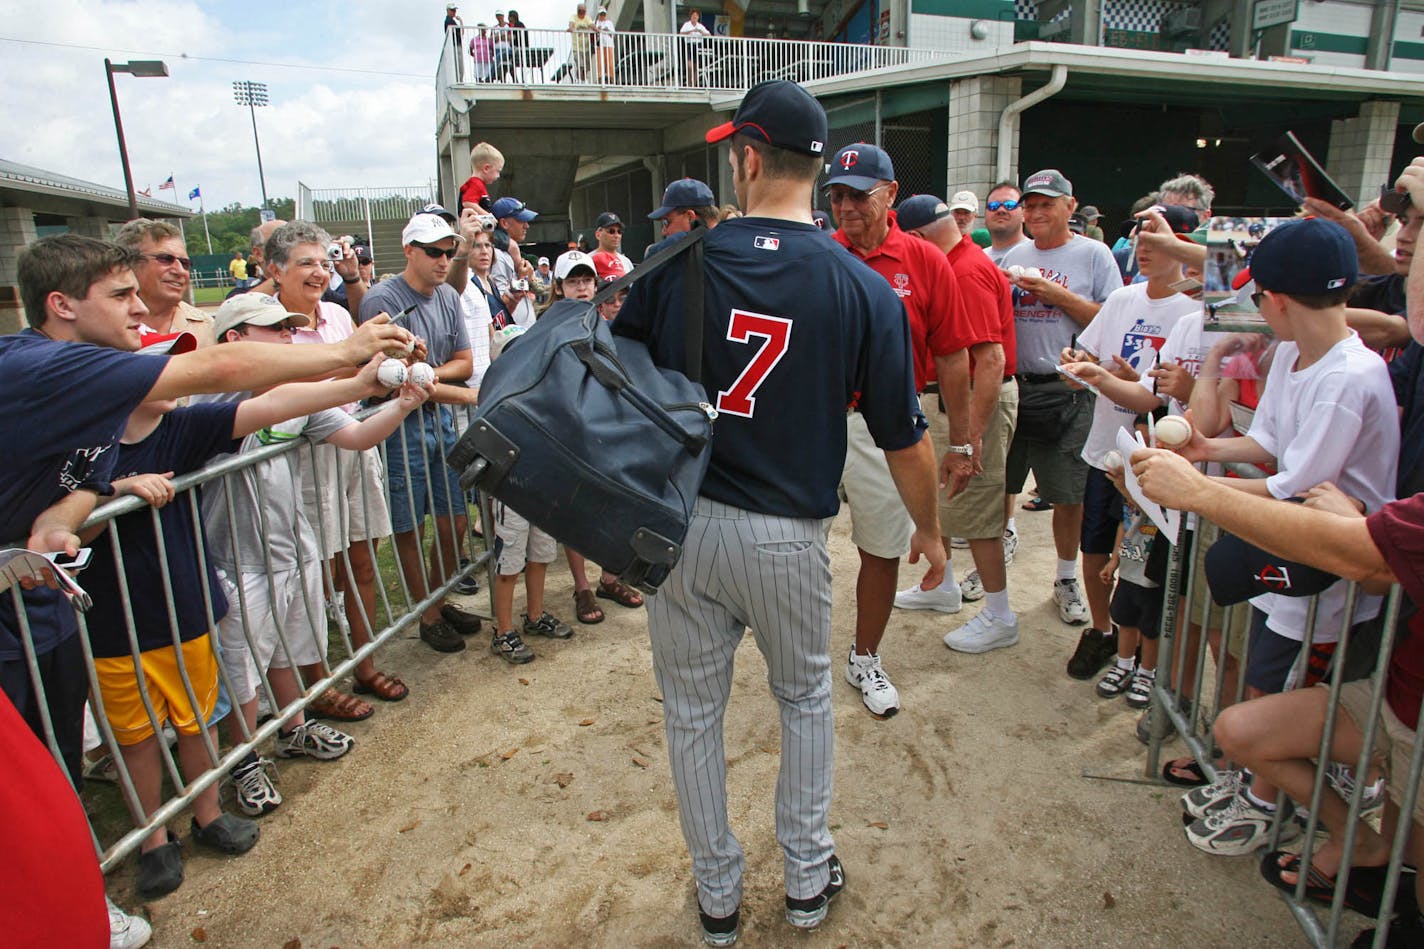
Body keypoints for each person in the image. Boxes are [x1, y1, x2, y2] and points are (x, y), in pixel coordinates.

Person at [611, 80, 946, 945]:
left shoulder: (679, 260)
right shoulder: (862, 283)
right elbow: (904, 439)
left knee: (691, 714)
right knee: (802, 699)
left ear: (749, 159)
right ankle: (804, 878)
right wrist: (934, 532)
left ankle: (718, 895)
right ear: (814, 166)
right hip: (786, 536)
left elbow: (615, 384)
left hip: (681, 524)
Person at [4, 234, 410, 943]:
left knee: (54, 774)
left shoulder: (94, 406)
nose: (141, 308)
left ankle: (77, 897)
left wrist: (61, 520)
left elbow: (85, 483)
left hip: (45, 612)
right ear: (61, 307)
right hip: (42, 623)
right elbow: (222, 367)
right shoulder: (38, 366)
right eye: (121, 295)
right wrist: (342, 351)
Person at [1165, 218, 1399, 856]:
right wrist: (1208, 448)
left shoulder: (1350, 377)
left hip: (1329, 580)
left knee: (1283, 695)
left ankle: (1269, 804)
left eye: (1257, 296)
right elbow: (1268, 444)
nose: (1252, 310)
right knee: (1263, 676)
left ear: (1279, 300)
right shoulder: (1296, 354)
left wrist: (1190, 488)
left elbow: (1289, 489)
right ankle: (1257, 787)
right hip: (1288, 560)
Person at [1128, 447, 1424, 946]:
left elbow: (1363, 559)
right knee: (1242, 731)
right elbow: (1376, 569)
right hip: (1395, 698)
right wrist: (1358, 526)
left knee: (1413, 859)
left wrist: (1200, 492)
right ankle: (1359, 842)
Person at [825, 146, 966, 716]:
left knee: (881, 549)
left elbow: (953, 355)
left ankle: (865, 657)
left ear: (890, 192)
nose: (846, 206)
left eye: (859, 194)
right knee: (798, 546)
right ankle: (801, 657)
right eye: (836, 195)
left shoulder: (926, 260)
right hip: (817, 421)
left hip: (887, 426)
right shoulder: (818, 256)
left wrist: (961, 441)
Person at [1054, 204, 1199, 690]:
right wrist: (1081, 365)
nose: (1145, 245)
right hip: (1106, 448)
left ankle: (1148, 659)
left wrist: (1121, 381)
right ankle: (1103, 632)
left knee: (1147, 562)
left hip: (1161, 461)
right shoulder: (1122, 298)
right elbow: (1092, 358)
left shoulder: (1197, 311)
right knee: (1095, 547)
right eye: (1140, 235)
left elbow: (1156, 395)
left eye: (1159, 238)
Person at [270, 222, 404, 712]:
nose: (319, 272)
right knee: (316, 573)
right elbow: (295, 383)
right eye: (306, 263)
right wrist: (356, 370)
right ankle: (319, 682)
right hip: (306, 460)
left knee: (363, 559)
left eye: (324, 263)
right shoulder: (268, 327)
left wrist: (388, 369)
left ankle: (364, 664)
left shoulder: (336, 315)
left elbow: (359, 378)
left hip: (353, 445)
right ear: (273, 271)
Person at [999, 169, 1121, 666]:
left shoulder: (1094, 255)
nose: (1035, 213)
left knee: (1067, 494)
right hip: (1017, 388)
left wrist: (1058, 296)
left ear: (1071, 207)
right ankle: (994, 564)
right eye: (1029, 205)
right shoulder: (1014, 256)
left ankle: (1066, 576)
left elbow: (1115, 321)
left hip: (1068, 393)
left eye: (1047, 204)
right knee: (1004, 484)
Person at [894, 195, 1019, 652]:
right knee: (942, 500)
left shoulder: (962, 271)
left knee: (978, 511)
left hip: (968, 401)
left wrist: (972, 439)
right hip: (951, 400)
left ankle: (1000, 613)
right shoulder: (957, 259)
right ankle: (943, 585)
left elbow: (990, 359)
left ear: (916, 238)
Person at [359, 211, 485, 656]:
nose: (443, 259)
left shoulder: (449, 296)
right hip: (398, 428)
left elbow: (464, 364)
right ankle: (428, 615)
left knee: (453, 522)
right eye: (434, 251)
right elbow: (395, 381)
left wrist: (428, 373)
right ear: (409, 250)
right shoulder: (381, 299)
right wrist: (442, 385)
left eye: (449, 252)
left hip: (439, 424)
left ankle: (437, 599)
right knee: (410, 525)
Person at [116, 219, 216, 346]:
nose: (180, 271)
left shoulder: (207, 327)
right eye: (165, 259)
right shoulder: (105, 329)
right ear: (129, 263)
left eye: (185, 263)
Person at [645, 178, 718, 260]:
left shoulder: (675, 260)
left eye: (666, 222)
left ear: (690, 217)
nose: (664, 231)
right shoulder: (731, 245)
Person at [983, 181, 1027, 265]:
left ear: (1023, 214)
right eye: (993, 206)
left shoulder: (1038, 254)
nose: (1001, 210)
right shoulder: (978, 258)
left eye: (1009, 205)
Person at [458, 141, 504, 213]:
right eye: (498, 171)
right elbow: (468, 202)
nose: (498, 176)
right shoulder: (476, 184)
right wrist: (487, 216)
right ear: (486, 168)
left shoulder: (474, 183)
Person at [680, 8, 712, 86]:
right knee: (689, 66)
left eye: (696, 16)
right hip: (689, 45)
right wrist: (690, 32)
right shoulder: (687, 24)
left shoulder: (700, 26)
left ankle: (694, 84)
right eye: (693, 15)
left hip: (698, 45)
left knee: (696, 67)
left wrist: (700, 32)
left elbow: (709, 35)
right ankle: (689, 82)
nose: (695, 17)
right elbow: (681, 33)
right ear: (690, 16)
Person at [567, 2, 595, 81]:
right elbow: (571, 24)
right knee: (580, 64)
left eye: (583, 11)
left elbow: (592, 25)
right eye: (580, 11)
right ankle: (580, 80)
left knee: (587, 66)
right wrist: (571, 28)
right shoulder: (574, 17)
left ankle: (582, 79)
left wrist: (596, 29)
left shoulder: (587, 18)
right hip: (577, 47)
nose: (582, 13)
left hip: (586, 47)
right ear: (577, 11)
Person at [594, 8, 615, 83]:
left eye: (604, 14)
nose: (602, 16)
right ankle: (600, 80)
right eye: (601, 14)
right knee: (600, 63)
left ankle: (612, 80)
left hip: (609, 45)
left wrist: (607, 30)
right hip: (600, 46)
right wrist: (597, 30)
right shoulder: (596, 23)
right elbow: (594, 35)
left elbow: (613, 35)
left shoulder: (609, 22)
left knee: (610, 63)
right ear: (599, 15)